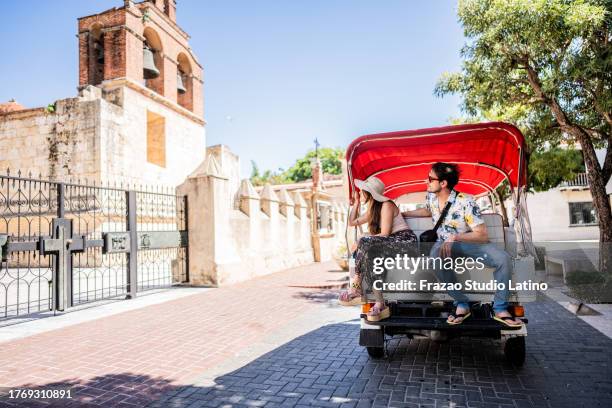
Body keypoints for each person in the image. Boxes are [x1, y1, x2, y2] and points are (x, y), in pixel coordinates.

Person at [402, 163, 522, 327]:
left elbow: (481, 235)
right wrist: (403, 214)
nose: (426, 181)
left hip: (468, 243)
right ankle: (462, 304)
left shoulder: (466, 201)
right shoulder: (431, 197)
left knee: (503, 259)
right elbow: (428, 210)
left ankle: (500, 308)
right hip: (444, 246)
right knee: (435, 257)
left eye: (430, 178)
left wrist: (456, 237)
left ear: (443, 183)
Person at [338, 176, 417, 322]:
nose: (360, 193)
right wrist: (356, 203)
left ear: (370, 193)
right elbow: (352, 222)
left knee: (365, 240)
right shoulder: (373, 210)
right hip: (389, 244)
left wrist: (362, 239)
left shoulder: (387, 204)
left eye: (362, 191)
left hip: (405, 242)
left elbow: (385, 233)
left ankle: (355, 286)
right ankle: (380, 303)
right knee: (370, 258)